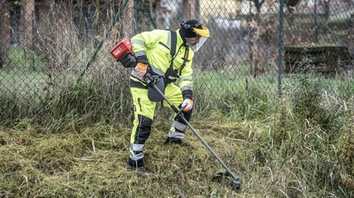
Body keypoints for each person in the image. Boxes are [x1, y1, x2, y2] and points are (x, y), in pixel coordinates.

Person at [121, 19, 210, 170]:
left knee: (186, 106)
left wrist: (188, 96)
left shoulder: (188, 53)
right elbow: (137, 39)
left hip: (165, 86)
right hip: (142, 83)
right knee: (144, 122)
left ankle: (174, 139)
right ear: (190, 34)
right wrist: (142, 61)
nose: (198, 41)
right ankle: (135, 161)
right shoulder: (163, 35)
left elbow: (186, 77)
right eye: (197, 37)